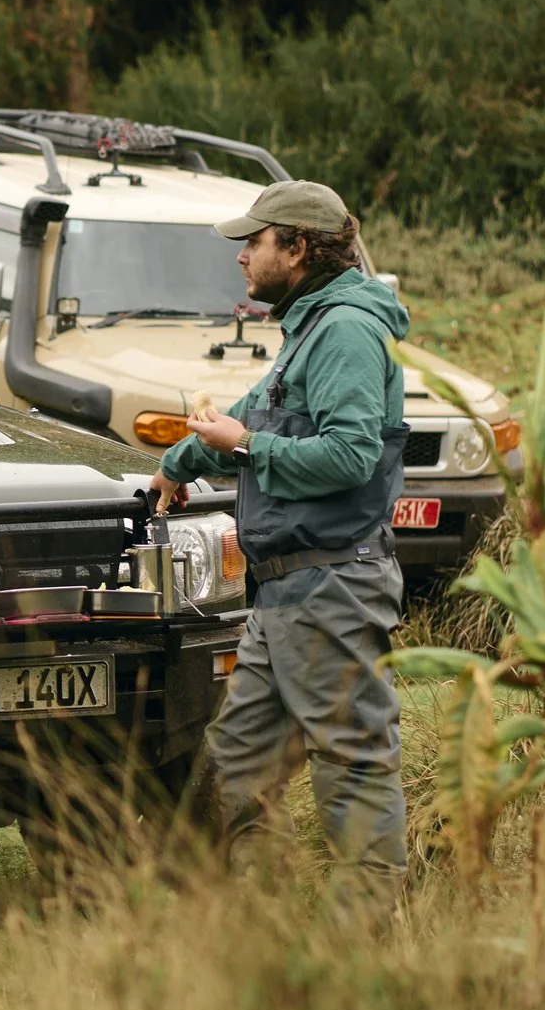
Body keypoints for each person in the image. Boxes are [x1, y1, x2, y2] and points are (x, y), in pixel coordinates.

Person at [151, 179, 411, 911]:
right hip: (286, 593)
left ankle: (359, 955)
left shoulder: (347, 332)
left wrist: (249, 445)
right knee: (237, 767)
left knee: (353, 774)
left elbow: (351, 456)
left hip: (332, 587)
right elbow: (253, 414)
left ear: (297, 248)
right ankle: (264, 937)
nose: (242, 255)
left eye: (255, 240)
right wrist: (182, 461)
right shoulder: (310, 325)